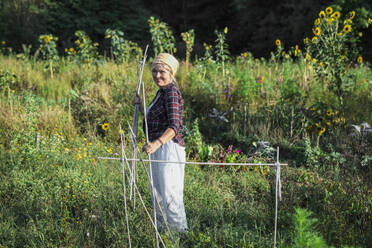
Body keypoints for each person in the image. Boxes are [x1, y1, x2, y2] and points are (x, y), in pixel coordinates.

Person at [135, 53, 188, 232]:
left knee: (170, 196)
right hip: (159, 149)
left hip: (169, 149)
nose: (157, 76)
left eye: (162, 72)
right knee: (158, 195)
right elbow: (156, 119)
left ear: (171, 72)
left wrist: (156, 143)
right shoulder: (162, 92)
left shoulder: (171, 93)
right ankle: (164, 235)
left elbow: (175, 126)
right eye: (155, 71)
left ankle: (179, 236)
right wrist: (141, 107)